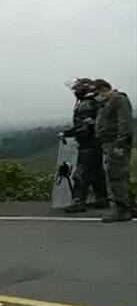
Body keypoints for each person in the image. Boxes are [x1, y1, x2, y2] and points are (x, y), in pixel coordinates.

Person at [60, 78, 108, 213]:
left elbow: (83, 127)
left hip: (87, 143)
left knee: (81, 172)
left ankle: (78, 201)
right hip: (97, 143)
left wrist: (67, 133)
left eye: (76, 89)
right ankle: (101, 198)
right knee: (97, 171)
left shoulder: (85, 105)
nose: (75, 92)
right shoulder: (97, 103)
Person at [94, 79, 134, 223]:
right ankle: (122, 207)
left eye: (98, 93)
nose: (98, 97)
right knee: (114, 175)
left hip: (116, 144)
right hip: (109, 143)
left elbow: (125, 123)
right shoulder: (107, 104)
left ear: (105, 89)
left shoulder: (119, 100)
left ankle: (122, 210)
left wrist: (120, 144)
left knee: (116, 176)